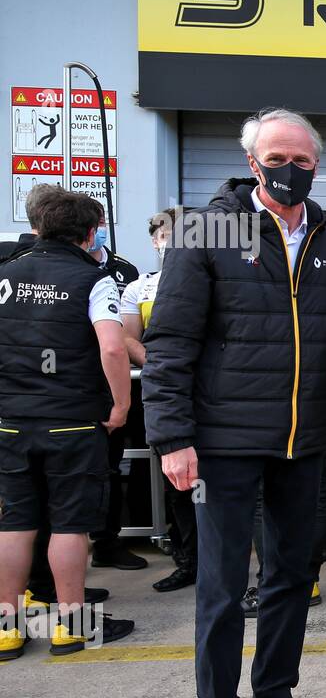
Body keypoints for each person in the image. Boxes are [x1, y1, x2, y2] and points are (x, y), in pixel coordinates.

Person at [144, 108, 326, 698]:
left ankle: (275, 694)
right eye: (276, 156)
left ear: (315, 165)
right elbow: (171, 339)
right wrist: (171, 436)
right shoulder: (206, 229)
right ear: (252, 160)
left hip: (304, 441)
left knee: (294, 576)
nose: (289, 168)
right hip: (223, 443)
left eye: (302, 158)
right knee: (223, 585)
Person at [0, 189, 136, 662]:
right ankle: (71, 625)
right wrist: (121, 406)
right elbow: (114, 348)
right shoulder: (94, 279)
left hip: (11, 421)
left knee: (14, 522)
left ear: (36, 226)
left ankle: (6, 629)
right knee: (69, 524)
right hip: (74, 421)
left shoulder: (6, 275)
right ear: (92, 232)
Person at [121, 210, 200, 593]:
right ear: (154, 240)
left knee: (224, 483)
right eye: (165, 234)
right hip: (167, 397)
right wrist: (162, 365)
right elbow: (127, 338)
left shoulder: (206, 278)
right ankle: (188, 562)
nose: (171, 240)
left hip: (210, 398)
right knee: (178, 484)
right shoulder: (139, 288)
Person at [86, 208, 146, 572]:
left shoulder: (124, 271)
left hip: (117, 384)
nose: (99, 232)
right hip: (80, 384)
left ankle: (109, 541)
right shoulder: (71, 269)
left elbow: (123, 336)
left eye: (103, 224)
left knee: (111, 464)